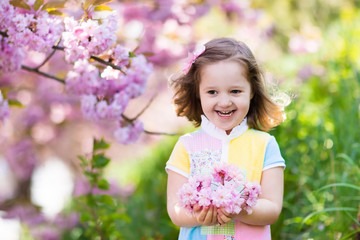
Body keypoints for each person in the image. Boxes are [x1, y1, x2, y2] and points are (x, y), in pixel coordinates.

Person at [166, 37, 287, 240]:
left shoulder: (265, 145)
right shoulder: (186, 146)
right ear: (198, 93)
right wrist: (200, 214)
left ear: (251, 92)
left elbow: (272, 208)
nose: (224, 101)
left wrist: (239, 208)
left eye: (235, 91)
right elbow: (175, 210)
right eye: (212, 92)